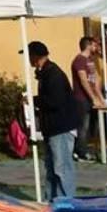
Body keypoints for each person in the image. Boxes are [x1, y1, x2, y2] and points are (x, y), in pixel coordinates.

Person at [29, 41, 78, 200]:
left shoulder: (53, 74)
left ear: (35, 56)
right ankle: (51, 200)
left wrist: (34, 100)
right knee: (51, 168)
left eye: (30, 55)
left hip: (61, 128)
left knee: (62, 168)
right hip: (52, 129)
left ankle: (66, 201)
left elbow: (55, 101)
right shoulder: (45, 73)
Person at [71, 37, 104, 161]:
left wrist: (100, 98)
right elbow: (83, 80)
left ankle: (88, 150)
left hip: (91, 99)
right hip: (81, 99)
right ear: (88, 45)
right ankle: (80, 152)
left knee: (92, 127)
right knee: (83, 126)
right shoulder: (79, 60)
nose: (96, 47)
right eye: (94, 45)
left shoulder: (90, 60)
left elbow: (96, 79)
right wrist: (93, 98)